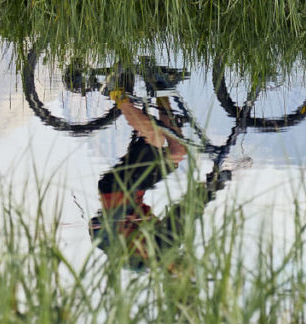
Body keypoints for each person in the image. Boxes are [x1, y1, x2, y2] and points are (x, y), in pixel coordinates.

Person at [88, 90, 224, 265]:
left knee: (154, 137)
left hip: (117, 190)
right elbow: (185, 214)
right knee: (177, 153)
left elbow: (184, 213)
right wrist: (209, 189)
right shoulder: (167, 248)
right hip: (135, 189)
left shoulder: (155, 254)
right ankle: (162, 91)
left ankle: (116, 94)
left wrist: (117, 221)